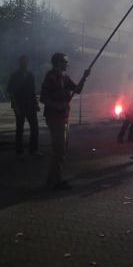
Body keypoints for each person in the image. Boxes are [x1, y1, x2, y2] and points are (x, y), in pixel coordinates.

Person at [40, 53, 90, 190]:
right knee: (59, 149)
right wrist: (57, 106)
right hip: (55, 119)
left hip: (64, 118)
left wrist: (84, 78)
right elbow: (43, 98)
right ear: (58, 62)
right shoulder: (51, 77)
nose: (67, 64)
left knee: (61, 149)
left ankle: (53, 179)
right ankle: (55, 181)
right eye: (65, 61)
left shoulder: (65, 78)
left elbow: (77, 90)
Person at [6, 55, 41, 160]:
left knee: (35, 128)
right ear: (19, 63)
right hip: (20, 106)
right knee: (20, 129)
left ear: (28, 63)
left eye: (26, 62)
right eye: (23, 62)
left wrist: (36, 104)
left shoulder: (30, 75)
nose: (24, 64)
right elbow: (11, 92)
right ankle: (19, 151)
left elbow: (32, 91)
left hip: (30, 105)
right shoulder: (15, 75)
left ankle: (33, 150)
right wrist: (15, 106)